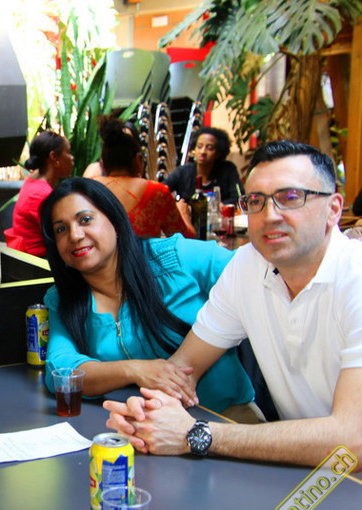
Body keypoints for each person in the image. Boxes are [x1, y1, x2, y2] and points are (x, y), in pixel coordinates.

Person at [104, 141, 362, 469]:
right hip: (303, 473)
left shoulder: (355, 277)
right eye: (256, 201)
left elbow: (352, 441)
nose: (270, 215)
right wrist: (146, 415)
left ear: (333, 208)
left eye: (290, 197)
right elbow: (184, 369)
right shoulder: (248, 265)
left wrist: (196, 434)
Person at [39, 178, 255, 418]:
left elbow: (253, 274)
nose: (75, 235)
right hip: (141, 427)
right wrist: (136, 370)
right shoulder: (63, 298)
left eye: (85, 220)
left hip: (228, 419)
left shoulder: (176, 258)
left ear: (115, 220)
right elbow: (61, 370)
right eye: (61, 229)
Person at [93, 117, 193, 238]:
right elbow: (185, 240)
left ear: (103, 165)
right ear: (138, 159)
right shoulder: (157, 192)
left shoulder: (88, 189)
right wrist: (184, 215)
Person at [6, 131, 74, 256]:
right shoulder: (42, 194)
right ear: (54, 157)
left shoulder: (33, 179)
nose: (72, 158)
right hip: (38, 261)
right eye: (68, 152)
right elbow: (62, 235)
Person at [163, 127, 244, 206]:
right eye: (199, 146)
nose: (203, 152)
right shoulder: (183, 172)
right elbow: (161, 191)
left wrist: (217, 206)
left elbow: (239, 197)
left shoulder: (228, 170)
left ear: (218, 153)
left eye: (209, 148)